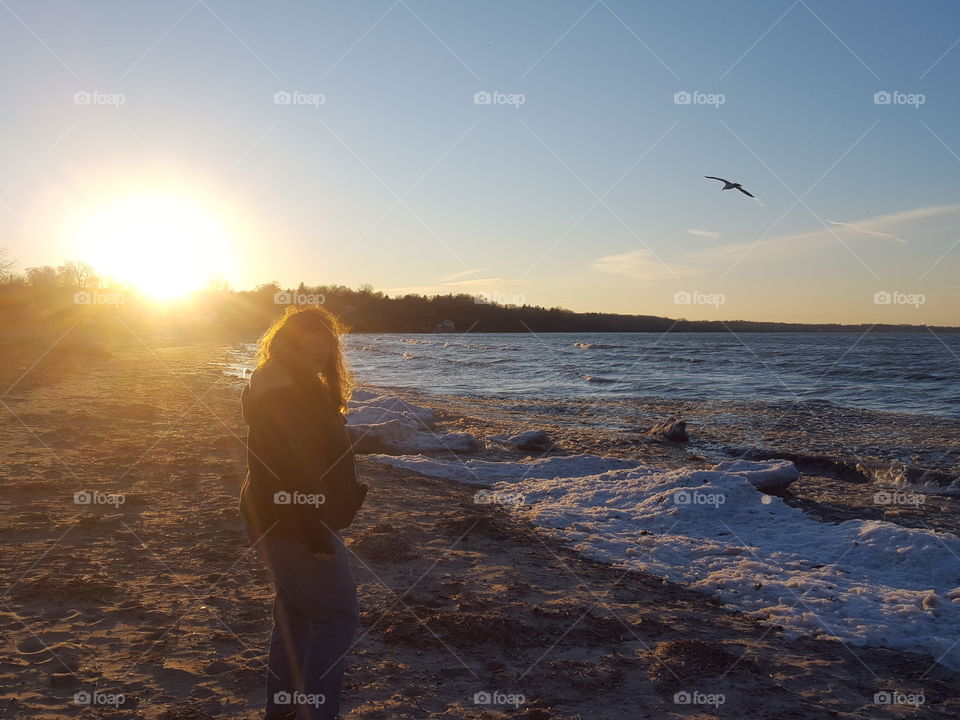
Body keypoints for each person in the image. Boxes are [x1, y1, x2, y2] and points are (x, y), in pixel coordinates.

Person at [240, 305, 368, 720]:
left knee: (296, 615)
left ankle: (282, 711)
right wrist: (314, 534)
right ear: (288, 345)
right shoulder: (287, 392)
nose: (319, 354)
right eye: (308, 346)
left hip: (276, 513)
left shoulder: (285, 382)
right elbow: (292, 467)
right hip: (294, 519)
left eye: (325, 347)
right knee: (337, 617)